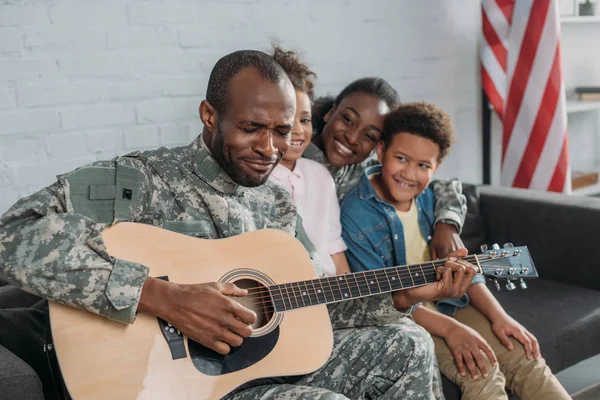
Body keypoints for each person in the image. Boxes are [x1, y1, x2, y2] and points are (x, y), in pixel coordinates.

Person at [0, 50, 478, 400]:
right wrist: (161, 296)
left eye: (283, 131)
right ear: (210, 116)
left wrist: (402, 295)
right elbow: (12, 234)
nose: (270, 148)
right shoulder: (140, 180)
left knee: (410, 342)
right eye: (252, 128)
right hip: (175, 386)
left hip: (262, 368)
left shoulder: (276, 205)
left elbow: (311, 302)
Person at [340, 102, 570, 400]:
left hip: (449, 301)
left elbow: (466, 271)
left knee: (524, 356)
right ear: (382, 151)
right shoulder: (356, 212)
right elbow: (382, 298)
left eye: (423, 165)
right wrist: (452, 330)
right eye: (401, 158)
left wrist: (500, 317)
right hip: (405, 316)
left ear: (435, 168)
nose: (409, 173)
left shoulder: (431, 199)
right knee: (480, 371)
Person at [305, 78, 468, 261]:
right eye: (348, 120)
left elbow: (443, 187)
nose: (352, 137)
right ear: (330, 113)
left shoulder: (365, 173)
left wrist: (447, 225)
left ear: (378, 147)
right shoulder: (292, 157)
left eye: (369, 135)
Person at [268, 46, 350, 277]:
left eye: (304, 119)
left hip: (331, 289)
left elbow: (334, 246)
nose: (297, 130)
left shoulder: (321, 176)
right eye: (286, 119)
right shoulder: (256, 179)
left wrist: (352, 297)